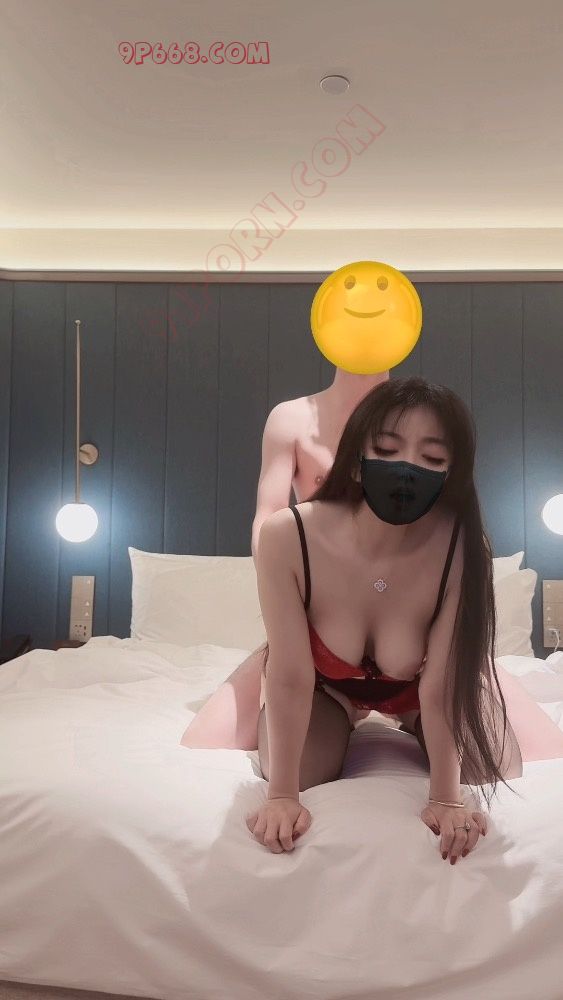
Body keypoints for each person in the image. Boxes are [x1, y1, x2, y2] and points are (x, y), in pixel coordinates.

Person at [245, 375, 524, 857]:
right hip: (324, 687)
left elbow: (442, 682)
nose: (407, 469)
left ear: (451, 473)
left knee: (494, 763)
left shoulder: (459, 547)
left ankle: (406, 722)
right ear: (355, 459)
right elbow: (290, 673)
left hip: (421, 689)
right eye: (387, 449)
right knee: (300, 769)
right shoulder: (288, 537)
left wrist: (445, 798)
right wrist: (282, 796)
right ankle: (345, 715)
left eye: (432, 458)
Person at [180, 365, 390, 750]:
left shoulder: (418, 419)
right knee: (205, 740)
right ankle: (341, 702)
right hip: (318, 618)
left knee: (500, 747)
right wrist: (285, 606)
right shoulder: (291, 418)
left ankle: (405, 708)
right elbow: (269, 516)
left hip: (403, 619)